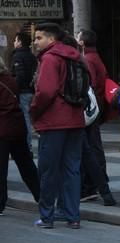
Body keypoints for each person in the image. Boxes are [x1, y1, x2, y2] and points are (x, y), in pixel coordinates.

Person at [30, 23, 86, 229]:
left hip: (53, 121)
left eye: (38, 38)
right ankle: (73, 215)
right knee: (72, 169)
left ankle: (47, 216)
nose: (35, 42)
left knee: (48, 170)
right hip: (75, 119)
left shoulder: (50, 58)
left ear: (51, 40)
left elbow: (45, 91)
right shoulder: (76, 56)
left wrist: (34, 113)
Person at [77, 30, 115, 206]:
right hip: (96, 107)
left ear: (83, 42)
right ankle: (97, 185)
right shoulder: (95, 57)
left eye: (79, 36)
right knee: (93, 148)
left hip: (90, 110)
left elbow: (88, 85)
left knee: (90, 149)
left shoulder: (88, 60)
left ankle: (92, 186)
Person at [0, 57, 40, 215]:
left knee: (1, 170)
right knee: (26, 165)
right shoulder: (10, 80)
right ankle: (41, 196)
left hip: (2, 130)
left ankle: (0, 203)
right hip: (17, 128)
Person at [11, 32, 37, 153]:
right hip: (31, 90)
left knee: (25, 119)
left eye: (16, 40)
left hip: (23, 92)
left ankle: (27, 147)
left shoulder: (18, 56)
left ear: (20, 42)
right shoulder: (31, 56)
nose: (14, 42)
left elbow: (20, 76)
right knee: (29, 119)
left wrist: (13, 88)